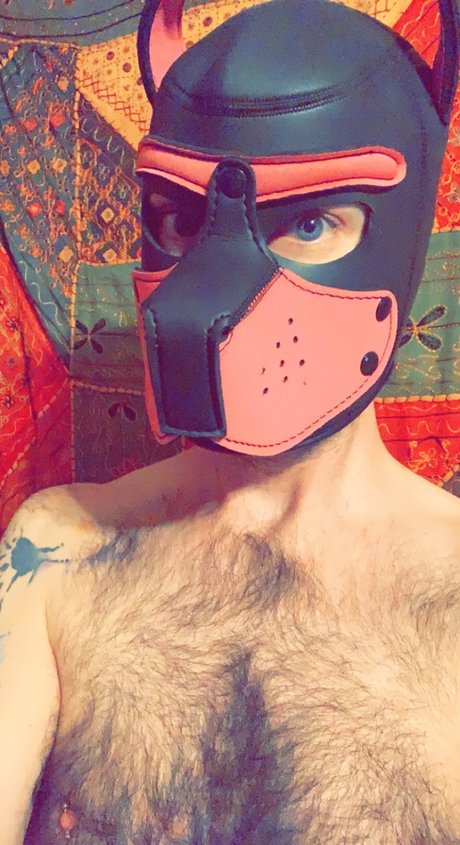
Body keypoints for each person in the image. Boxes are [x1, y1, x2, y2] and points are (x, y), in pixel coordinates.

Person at [1, 0, 459, 841]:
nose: (214, 291)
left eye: (309, 222)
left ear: (402, 241)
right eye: (181, 220)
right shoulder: (57, 550)